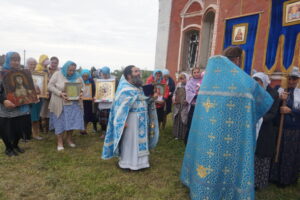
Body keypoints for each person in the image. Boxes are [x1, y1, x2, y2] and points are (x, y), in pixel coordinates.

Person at [180, 55, 273, 199]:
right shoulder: (242, 81)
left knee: (207, 159)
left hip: (206, 133)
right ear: (235, 60)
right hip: (230, 134)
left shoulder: (207, 82)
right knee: (225, 162)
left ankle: (201, 188)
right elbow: (264, 100)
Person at [102, 65, 159, 171]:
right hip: (130, 120)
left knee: (140, 140)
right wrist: (121, 122)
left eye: (139, 71)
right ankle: (127, 163)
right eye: (136, 71)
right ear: (129, 75)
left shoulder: (138, 88)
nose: (139, 73)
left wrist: (151, 99)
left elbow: (142, 101)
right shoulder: (124, 89)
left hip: (141, 119)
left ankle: (142, 163)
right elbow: (119, 107)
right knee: (130, 142)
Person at [270, 66, 300, 187]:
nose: (292, 81)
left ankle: (286, 179)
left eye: (294, 79)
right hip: (279, 128)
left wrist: (290, 110)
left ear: (298, 80)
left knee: (290, 153)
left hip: (293, 130)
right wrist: (279, 102)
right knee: (278, 151)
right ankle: (274, 177)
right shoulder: (279, 90)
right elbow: (272, 107)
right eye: (290, 78)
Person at [0, 52, 32, 156]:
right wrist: (3, 100)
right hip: (6, 107)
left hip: (20, 106)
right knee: (7, 128)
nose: (16, 62)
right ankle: (8, 148)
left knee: (19, 127)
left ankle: (15, 145)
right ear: (8, 61)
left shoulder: (23, 73)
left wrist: (33, 92)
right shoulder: (1, 73)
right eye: (13, 60)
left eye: (18, 60)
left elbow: (27, 88)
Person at [48, 61, 84, 151]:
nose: (71, 72)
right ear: (65, 68)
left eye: (73, 70)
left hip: (73, 104)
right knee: (59, 122)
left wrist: (81, 93)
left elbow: (83, 87)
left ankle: (69, 139)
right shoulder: (57, 74)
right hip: (60, 104)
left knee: (71, 122)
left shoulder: (77, 75)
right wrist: (60, 93)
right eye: (70, 70)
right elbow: (50, 86)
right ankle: (60, 142)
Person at [252, 72, 280, 190]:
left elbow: (273, 113)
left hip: (266, 129)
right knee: (254, 152)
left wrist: (260, 118)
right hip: (254, 125)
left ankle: (260, 182)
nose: (257, 86)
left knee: (262, 154)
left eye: (259, 83)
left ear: (264, 82)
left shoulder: (273, 94)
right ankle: (250, 180)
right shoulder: (255, 92)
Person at [184, 67, 203, 145]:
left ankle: (197, 141)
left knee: (199, 124)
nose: (196, 74)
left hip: (201, 106)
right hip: (193, 106)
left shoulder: (204, 80)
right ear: (192, 74)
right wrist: (196, 95)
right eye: (194, 72)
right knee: (190, 124)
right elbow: (188, 92)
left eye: (197, 72)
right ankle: (187, 141)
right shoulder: (189, 82)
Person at [26, 57, 43, 140]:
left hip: (38, 98)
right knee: (26, 118)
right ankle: (26, 134)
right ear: (27, 65)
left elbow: (42, 87)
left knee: (36, 117)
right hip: (27, 99)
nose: (32, 66)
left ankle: (36, 134)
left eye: (34, 64)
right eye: (31, 64)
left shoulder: (39, 75)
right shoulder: (24, 74)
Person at [97, 66, 115, 139]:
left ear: (108, 73)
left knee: (110, 120)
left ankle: (110, 133)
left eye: (106, 74)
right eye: (103, 74)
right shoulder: (99, 82)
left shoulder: (113, 81)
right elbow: (97, 92)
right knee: (103, 121)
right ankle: (104, 133)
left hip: (110, 104)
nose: (104, 76)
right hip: (102, 104)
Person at [172, 72, 189, 140]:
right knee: (177, 119)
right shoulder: (178, 85)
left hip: (185, 106)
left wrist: (187, 100)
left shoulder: (188, 86)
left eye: (183, 78)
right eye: (181, 79)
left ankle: (183, 135)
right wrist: (174, 99)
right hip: (178, 105)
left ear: (186, 78)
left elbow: (189, 94)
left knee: (183, 119)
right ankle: (177, 135)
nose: (182, 80)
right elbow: (175, 93)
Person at [36, 55, 51, 133]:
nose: (47, 61)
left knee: (46, 111)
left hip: (46, 92)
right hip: (40, 92)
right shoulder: (38, 68)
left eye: (48, 59)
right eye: (46, 59)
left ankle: (46, 128)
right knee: (40, 111)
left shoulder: (47, 69)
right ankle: (40, 128)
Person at [81, 69, 97, 135]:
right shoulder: (79, 80)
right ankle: (82, 129)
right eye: (83, 76)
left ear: (88, 76)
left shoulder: (91, 81)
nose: (85, 77)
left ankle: (84, 129)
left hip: (88, 101)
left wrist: (93, 96)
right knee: (81, 115)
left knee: (87, 115)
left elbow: (94, 90)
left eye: (86, 76)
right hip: (80, 101)